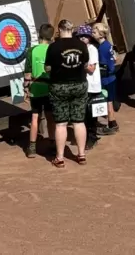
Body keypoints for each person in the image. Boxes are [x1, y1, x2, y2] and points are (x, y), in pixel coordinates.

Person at [45, 20, 89, 168]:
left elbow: (47, 68)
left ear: (59, 30)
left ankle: (60, 157)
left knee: (61, 123)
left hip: (59, 86)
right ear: (71, 30)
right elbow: (85, 64)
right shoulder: (82, 45)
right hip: (79, 84)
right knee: (79, 121)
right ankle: (81, 155)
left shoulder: (53, 47)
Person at [23, 23, 55, 158]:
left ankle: (32, 147)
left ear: (39, 35)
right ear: (51, 36)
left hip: (36, 88)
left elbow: (27, 75)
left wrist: (26, 90)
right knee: (50, 117)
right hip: (49, 88)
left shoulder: (31, 51)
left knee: (35, 117)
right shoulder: (53, 49)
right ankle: (53, 144)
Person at [75, 24, 102, 149]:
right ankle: (87, 137)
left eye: (85, 37)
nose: (82, 39)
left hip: (92, 86)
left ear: (89, 38)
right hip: (84, 86)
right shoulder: (80, 49)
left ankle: (92, 137)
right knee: (84, 114)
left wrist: (79, 64)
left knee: (91, 114)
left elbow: (91, 69)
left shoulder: (92, 49)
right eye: (80, 37)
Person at [93, 23, 119, 135]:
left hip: (107, 79)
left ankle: (112, 123)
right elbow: (115, 59)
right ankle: (112, 122)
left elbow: (105, 65)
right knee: (109, 101)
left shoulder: (102, 48)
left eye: (94, 32)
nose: (92, 34)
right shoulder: (108, 45)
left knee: (107, 101)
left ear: (101, 34)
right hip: (110, 77)